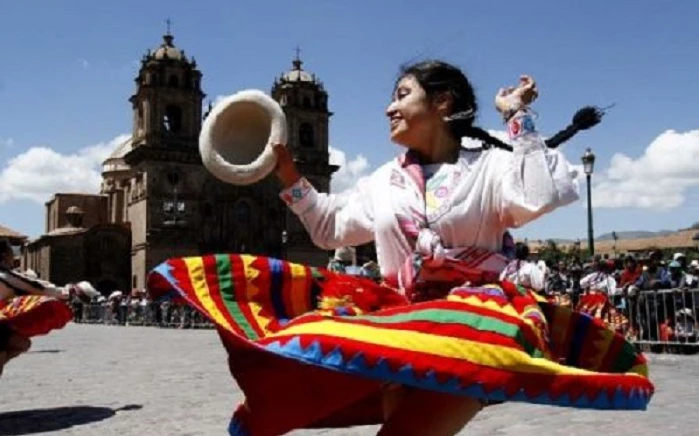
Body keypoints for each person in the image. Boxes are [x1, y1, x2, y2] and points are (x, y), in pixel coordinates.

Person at [149, 61, 653, 435]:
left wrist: (518, 118)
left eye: (403, 94)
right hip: (401, 324)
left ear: (442, 104)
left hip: (471, 326)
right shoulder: (386, 181)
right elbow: (329, 229)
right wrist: (288, 173)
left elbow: (538, 194)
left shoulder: (492, 166)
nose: (389, 106)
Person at [0, 238, 98, 376]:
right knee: (20, 344)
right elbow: (36, 286)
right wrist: (67, 292)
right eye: (11, 252)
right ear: (4, 255)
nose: (14, 256)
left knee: (20, 343)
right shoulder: (5, 275)